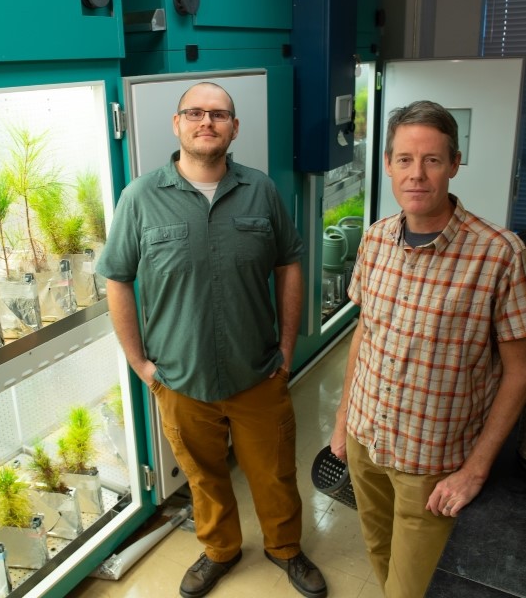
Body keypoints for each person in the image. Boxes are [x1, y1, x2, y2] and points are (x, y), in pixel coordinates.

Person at [96, 81, 327, 598]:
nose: (207, 122)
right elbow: (117, 279)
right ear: (177, 124)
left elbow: (289, 263)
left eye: (219, 115)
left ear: (234, 128)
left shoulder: (260, 190)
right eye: (195, 113)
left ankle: (285, 547)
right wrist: (140, 365)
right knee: (204, 478)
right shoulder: (140, 198)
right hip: (179, 377)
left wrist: (287, 350)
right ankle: (220, 550)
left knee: (273, 473)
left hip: (258, 371)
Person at [330, 100, 526, 598]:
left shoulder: (499, 253)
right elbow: (364, 334)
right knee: (380, 554)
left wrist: (475, 470)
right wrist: (341, 422)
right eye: (404, 160)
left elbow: (518, 373)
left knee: (409, 586)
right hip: (365, 440)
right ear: (389, 165)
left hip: (431, 461)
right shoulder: (374, 240)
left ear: (454, 163)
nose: (417, 175)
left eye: (432, 160)